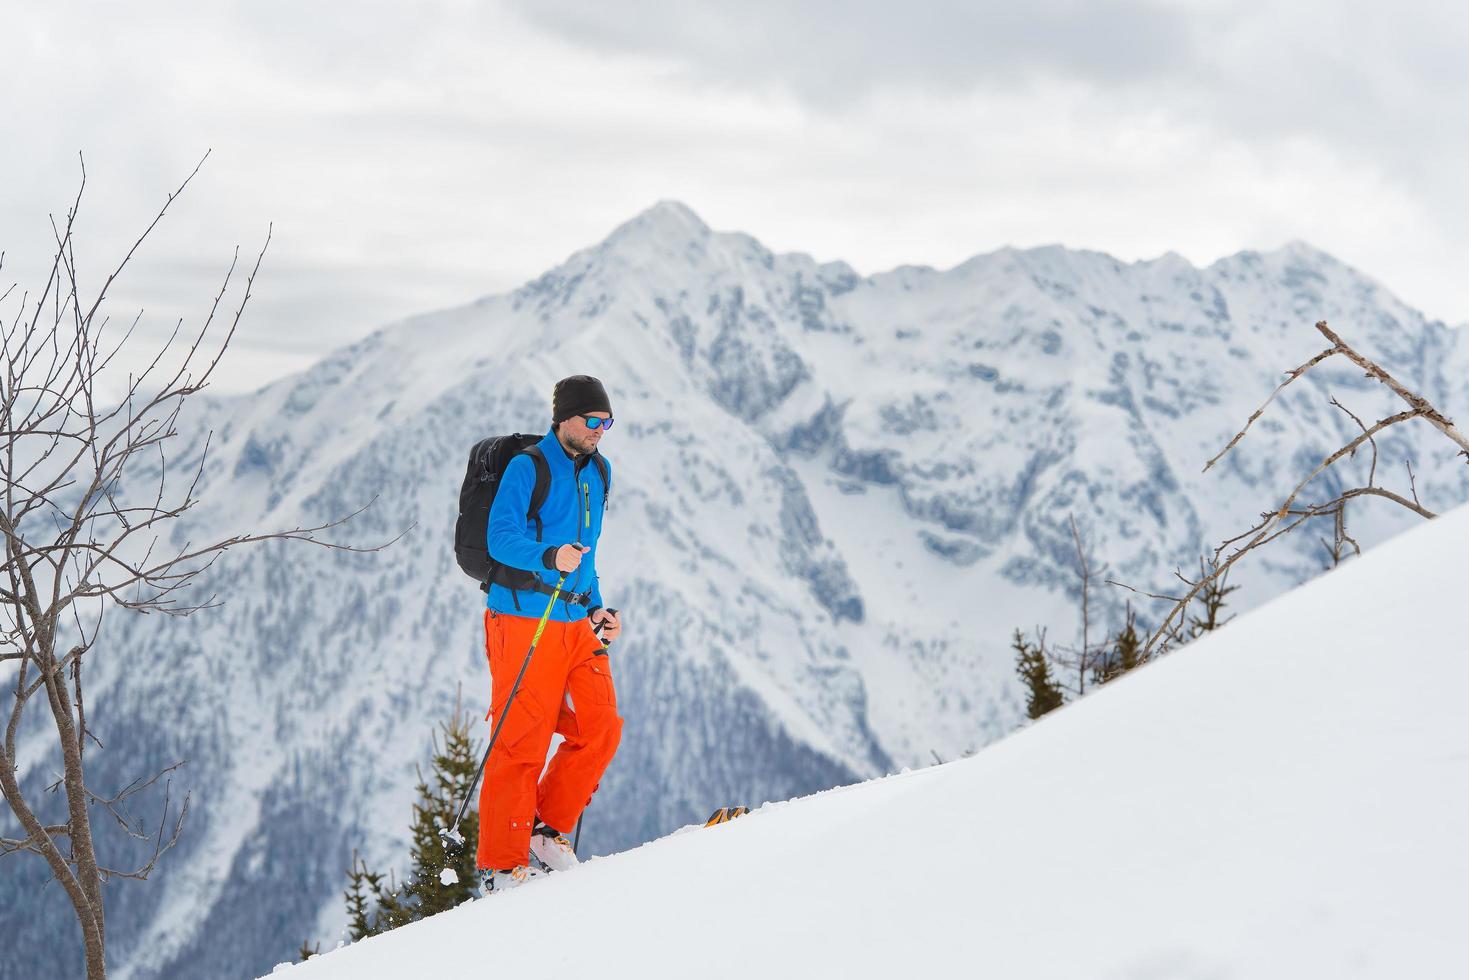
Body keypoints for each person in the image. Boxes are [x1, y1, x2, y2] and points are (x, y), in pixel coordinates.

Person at [476, 375, 624, 894]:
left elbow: (588, 552)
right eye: (593, 420)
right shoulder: (528, 467)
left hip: (575, 621)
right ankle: (503, 863)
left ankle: (544, 830)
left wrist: (599, 607)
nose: (601, 430)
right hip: (522, 619)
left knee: (601, 725)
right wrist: (546, 557)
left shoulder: (599, 472)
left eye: (608, 421)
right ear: (564, 418)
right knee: (521, 741)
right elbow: (499, 539)